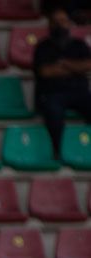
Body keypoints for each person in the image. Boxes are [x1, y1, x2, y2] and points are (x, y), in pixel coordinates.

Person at [34, 1, 91, 160]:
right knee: (53, 112)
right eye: (56, 22)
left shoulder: (79, 45)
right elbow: (46, 71)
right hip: (53, 93)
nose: (60, 25)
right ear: (50, 24)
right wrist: (75, 68)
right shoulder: (43, 47)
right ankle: (58, 150)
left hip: (79, 92)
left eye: (64, 21)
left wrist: (65, 64)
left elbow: (87, 65)